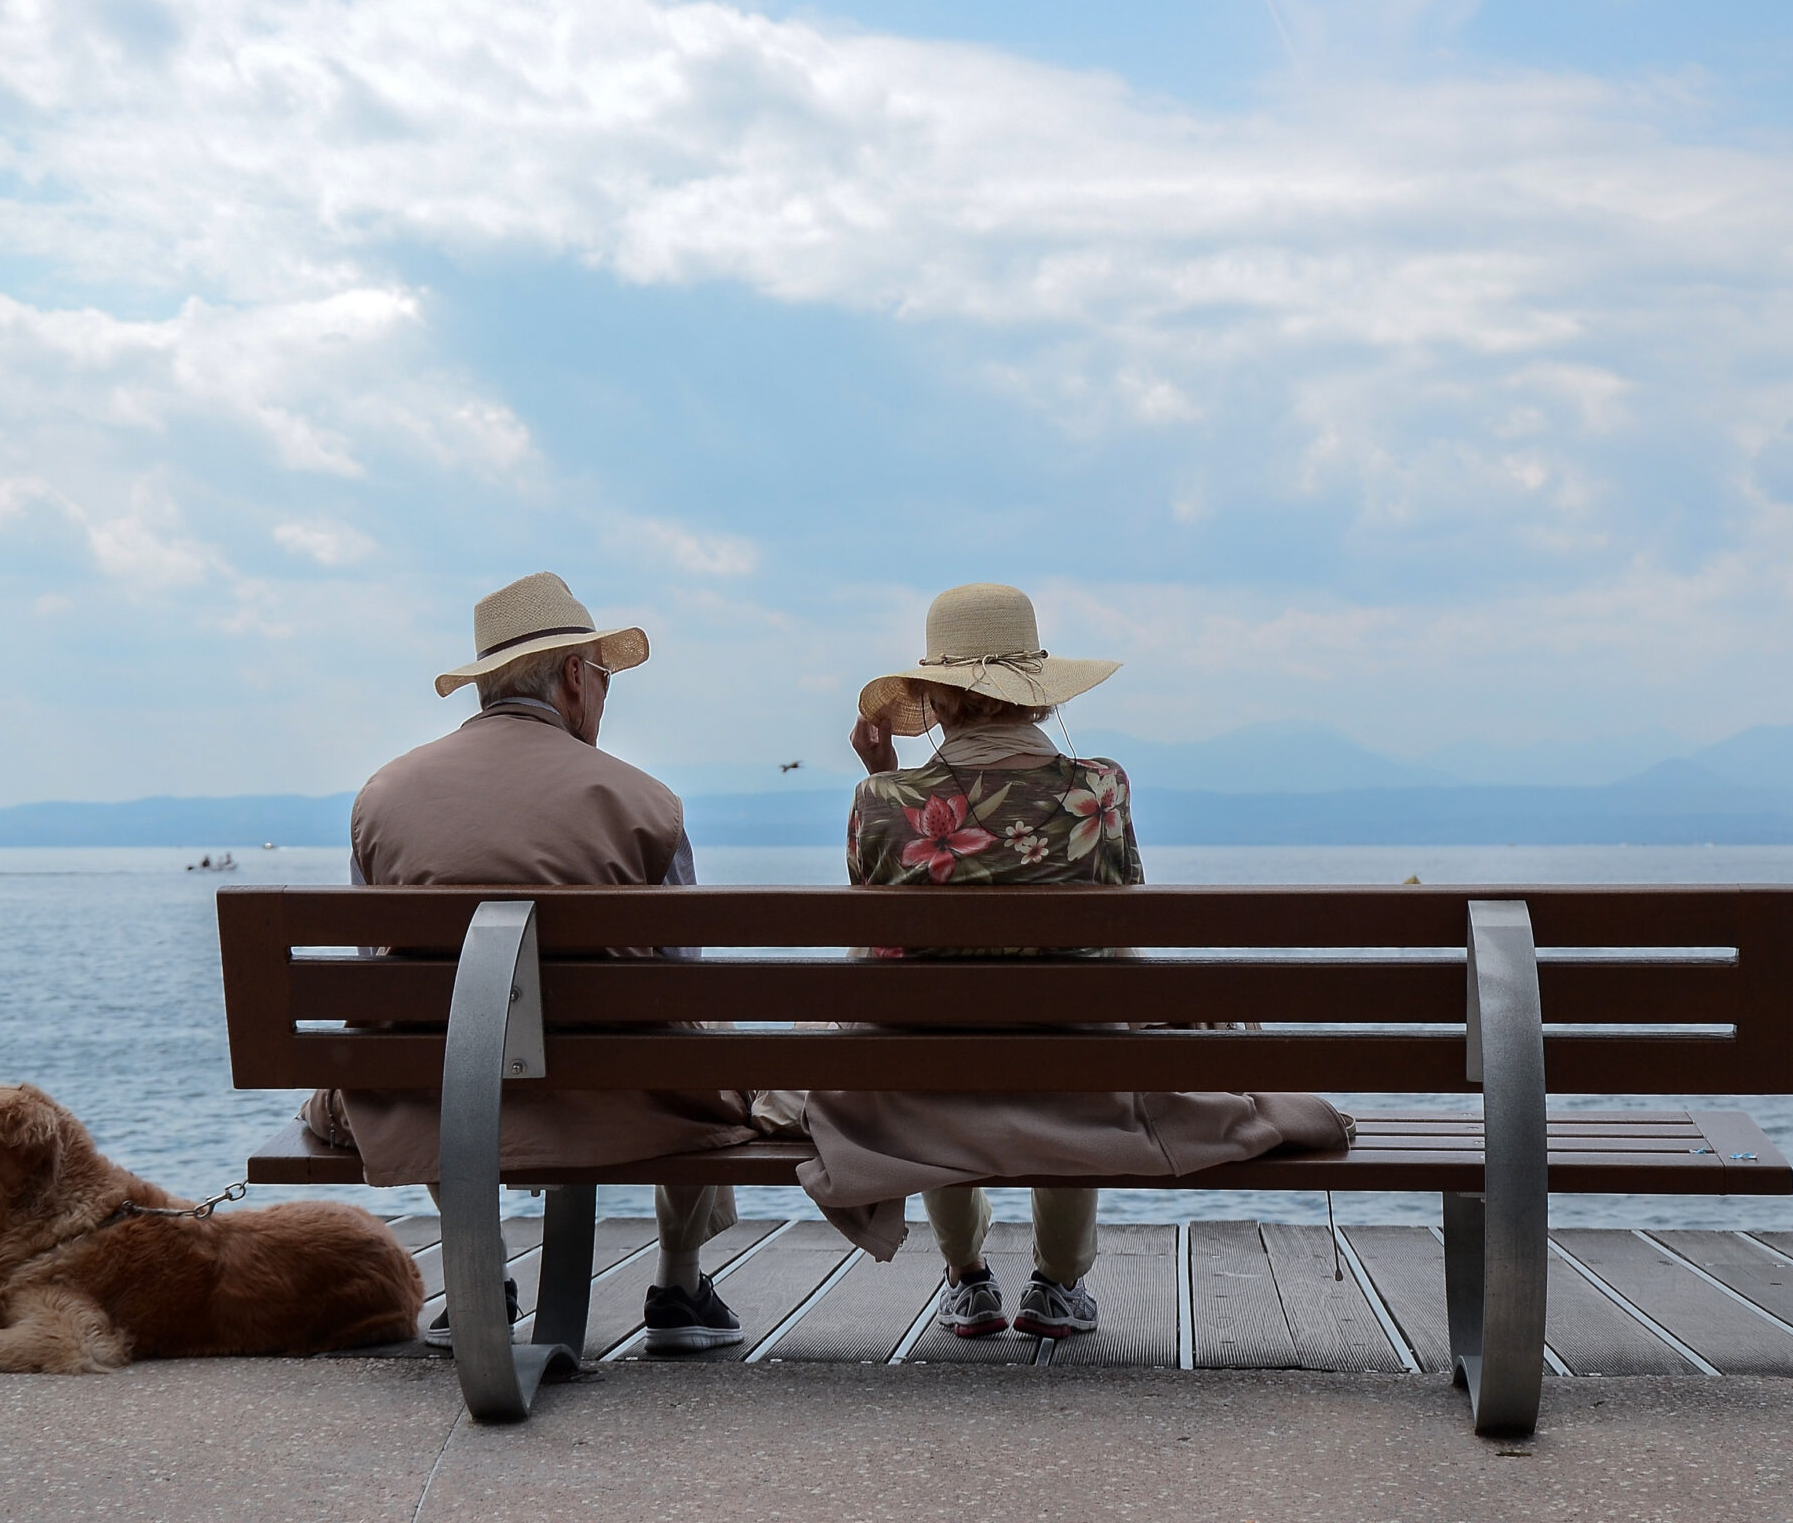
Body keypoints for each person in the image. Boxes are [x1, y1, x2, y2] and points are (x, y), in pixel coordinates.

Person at [797, 582, 1352, 1340]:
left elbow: (878, 939)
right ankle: (1057, 1282)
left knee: (918, 1037)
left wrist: (885, 772)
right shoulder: (1100, 787)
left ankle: (966, 1278)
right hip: (1079, 1079)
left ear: (939, 697)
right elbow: (1124, 922)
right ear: (1038, 694)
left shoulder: (881, 798)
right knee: (1085, 1029)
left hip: (923, 1085)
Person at [297, 571, 756, 1355]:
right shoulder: (647, 804)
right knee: (698, 1038)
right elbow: (683, 982)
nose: (606, 698)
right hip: (620, 1103)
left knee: (421, 1044)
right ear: (575, 677)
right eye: (606, 678)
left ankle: (480, 1276)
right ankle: (679, 1284)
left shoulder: (383, 797)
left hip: (428, 1101)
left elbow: (377, 973)